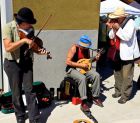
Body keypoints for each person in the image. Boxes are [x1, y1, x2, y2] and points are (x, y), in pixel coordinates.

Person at [2, 7, 50, 123]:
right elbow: (8, 47)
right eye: (29, 23)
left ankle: (34, 118)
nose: (30, 26)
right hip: (12, 63)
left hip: (27, 63)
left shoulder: (30, 29)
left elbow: (34, 47)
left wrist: (41, 51)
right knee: (16, 92)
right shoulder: (8, 27)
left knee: (30, 90)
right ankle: (20, 115)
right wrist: (23, 41)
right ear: (22, 23)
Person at [107, 7, 140, 104]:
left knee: (127, 76)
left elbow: (126, 37)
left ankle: (125, 95)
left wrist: (117, 28)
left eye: (116, 17)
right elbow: (111, 36)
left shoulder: (131, 23)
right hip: (117, 52)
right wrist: (112, 29)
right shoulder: (116, 22)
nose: (115, 18)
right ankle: (118, 91)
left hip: (128, 54)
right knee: (117, 73)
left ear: (122, 16)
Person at [65, 35, 103, 112]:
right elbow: (68, 62)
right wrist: (80, 65)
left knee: (96, 75)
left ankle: (95, 97)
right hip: (72, 69)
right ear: (81, 45)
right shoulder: (74, 48)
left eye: (87, 47)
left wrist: (95, 59)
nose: (87, 48)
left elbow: (87, 62)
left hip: (83, 69)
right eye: (85, 47)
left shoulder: (87, 50)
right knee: (82, 78)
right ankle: (84, 102)